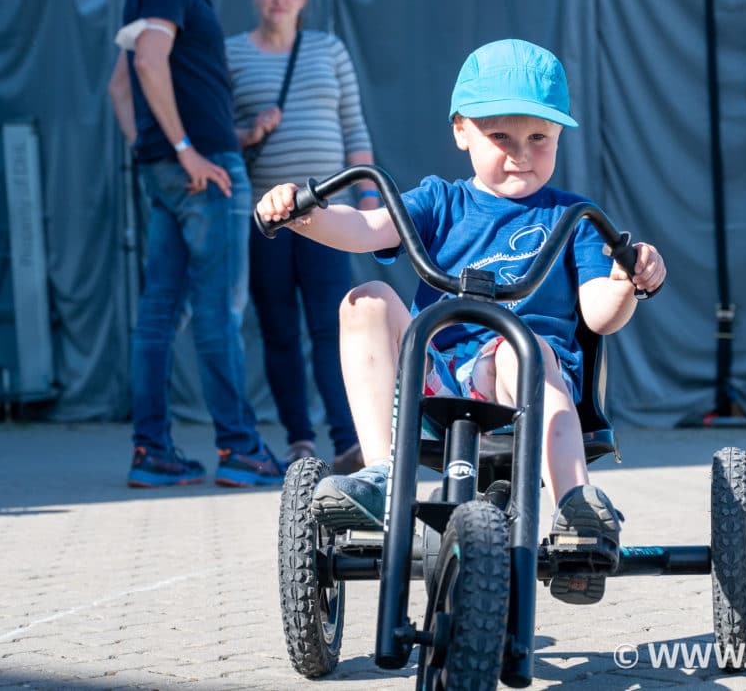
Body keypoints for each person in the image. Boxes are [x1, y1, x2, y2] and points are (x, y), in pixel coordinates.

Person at [255, 39, 666, 603]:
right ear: (462, 132)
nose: (521, 153)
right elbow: (367, 228)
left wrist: (627, 280)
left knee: (522, 350)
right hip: (436, 377)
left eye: (539, 138)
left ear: (559, 139)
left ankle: (576, 507)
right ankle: (381, 475)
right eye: (501, 137)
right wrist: (304, 214)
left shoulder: (573, 217)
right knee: (366, 298)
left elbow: (599, 314)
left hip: (524, 381)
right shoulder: (440, 201)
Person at [107, 0, 282, 489]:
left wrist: (154, 148)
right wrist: (185, 151)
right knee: (217, 313)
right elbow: (148, 65)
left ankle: (151, 451)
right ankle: (240, 451)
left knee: (158, 315)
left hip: (177, 170)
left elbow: (119, 88)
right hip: (201, 173)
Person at [226, 0, 375, 475]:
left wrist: (369, 200)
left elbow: (354, 130)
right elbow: (221, 139)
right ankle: (298, 440)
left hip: (325, 213)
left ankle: (348, 439)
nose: (278, 0)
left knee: (332, 326)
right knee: (279, 331)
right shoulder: (232, 55)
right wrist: (251, 133)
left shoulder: (328, 50)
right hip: (264, 218)